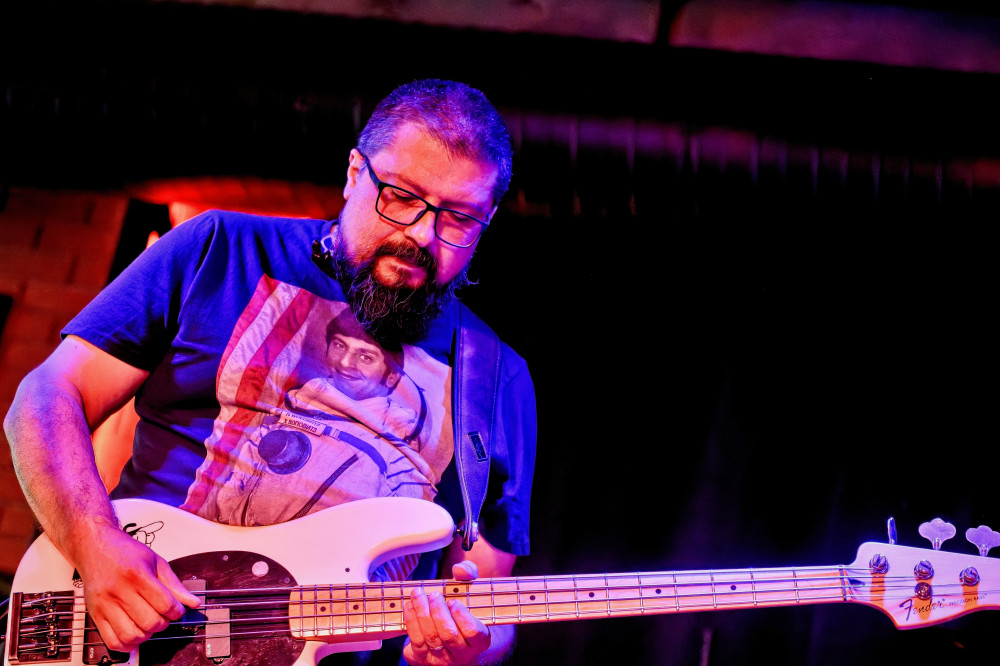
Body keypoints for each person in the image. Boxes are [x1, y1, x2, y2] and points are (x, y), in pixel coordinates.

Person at [4, 78, 536, 666]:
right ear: (354, 174)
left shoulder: (498, 378)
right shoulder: (220, 249)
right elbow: (49, 393)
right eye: (402, 196)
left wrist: (465, 650)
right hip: (137, 636)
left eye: (459, 218)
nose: (421, 234)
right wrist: (94, 541)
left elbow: (489, 602)